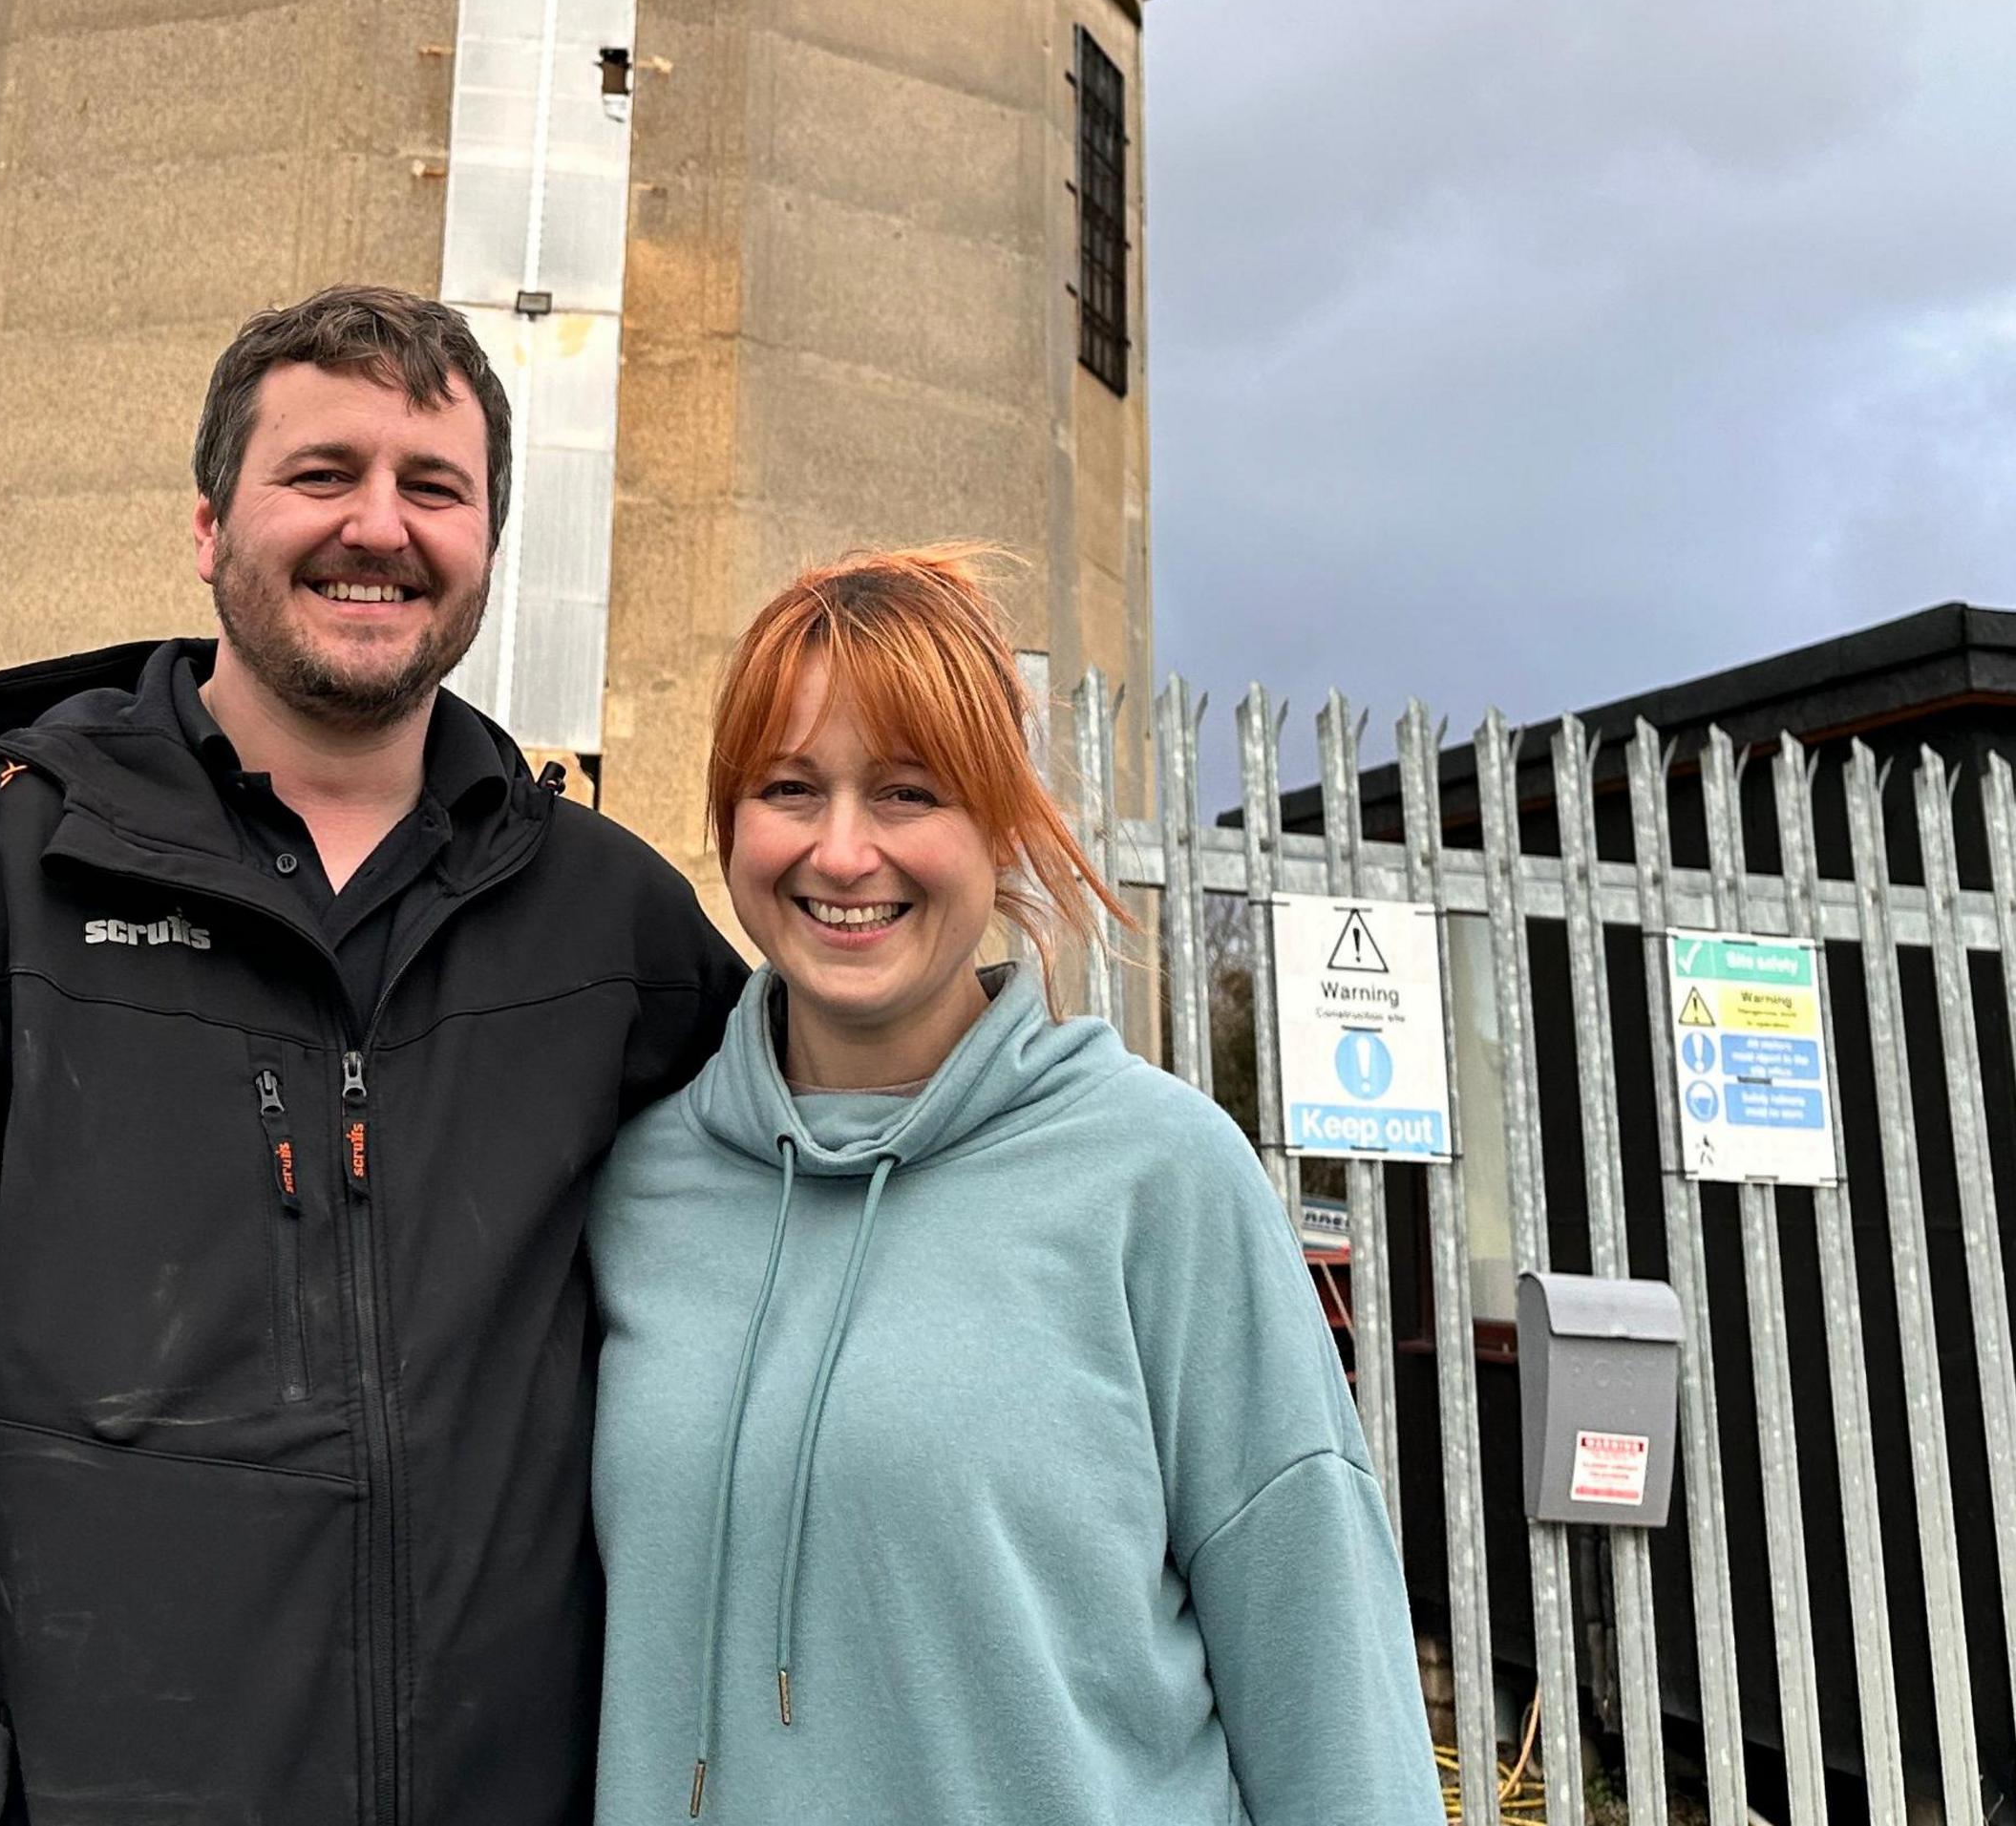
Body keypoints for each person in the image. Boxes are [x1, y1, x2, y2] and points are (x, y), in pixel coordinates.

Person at [0, 284, 750, 1826]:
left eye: (436, 486)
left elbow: (834, 1207)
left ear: (490, 540)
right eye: (322, 475)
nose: (382, 525)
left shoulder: (612, 927)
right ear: (210, 524)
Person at [587, 547, 1438, 1824]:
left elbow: (1331, 1693)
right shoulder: (638, 1186)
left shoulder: (1161, 1177)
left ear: (999, 827)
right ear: (729, 823)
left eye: (908, 791)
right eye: (789, 787)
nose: (843, 848)